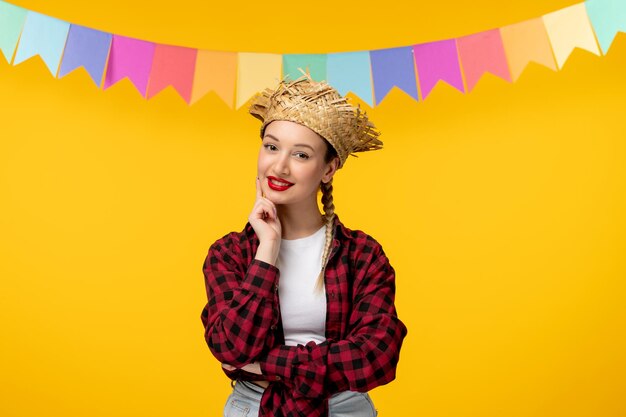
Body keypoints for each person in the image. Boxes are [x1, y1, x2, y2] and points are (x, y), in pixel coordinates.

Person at [200, 72, 408, 417]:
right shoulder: (229, 254)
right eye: (271, 146)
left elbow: (377, 356)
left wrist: (268, 365)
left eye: (301, 155)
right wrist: (267, 249)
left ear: (329, 169)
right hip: (253, 407)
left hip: (343, 409)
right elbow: (233, 347)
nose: (279, 166)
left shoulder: (363, 255)